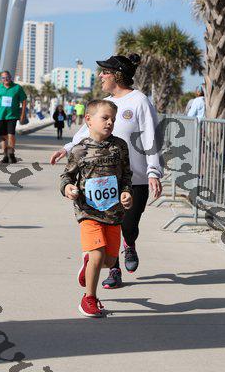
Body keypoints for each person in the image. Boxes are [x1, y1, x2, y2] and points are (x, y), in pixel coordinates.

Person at [50, 53, 163, 290]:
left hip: (135, 178)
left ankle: (129, 244)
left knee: (128, 226)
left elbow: (152, 137)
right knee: (109, 224)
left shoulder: (139, 101)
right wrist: (66, 148)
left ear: (117, 75)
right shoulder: (105, 104)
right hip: (107, 179)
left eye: (105, 72)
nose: (101, 76)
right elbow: (85, 131)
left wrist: (153, 171)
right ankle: (114, 271)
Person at [60, 99, 134, 317]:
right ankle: (89, 299)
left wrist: (127, 193)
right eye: (105, 118)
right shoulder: (79, 149)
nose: (110, 122)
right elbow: (66, 176)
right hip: (88, 211)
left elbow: (126, 176)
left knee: (109, 260)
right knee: (98, 254)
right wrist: (68, 188)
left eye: (113, 119)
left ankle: (88, 263)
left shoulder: (119, 146)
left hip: (113, 212)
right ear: (89, 120)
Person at [0, 70, 27, 164]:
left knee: (11, 135)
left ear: (10, 77)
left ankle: (11, 154)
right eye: (3, 78)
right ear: (1, 79)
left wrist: (22, 114)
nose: (5, 79)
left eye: (7, 77)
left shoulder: (17, 88)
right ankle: (5, 156)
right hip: (0, 116)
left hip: (12, 116)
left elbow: (24, 101)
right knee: (3, 137)